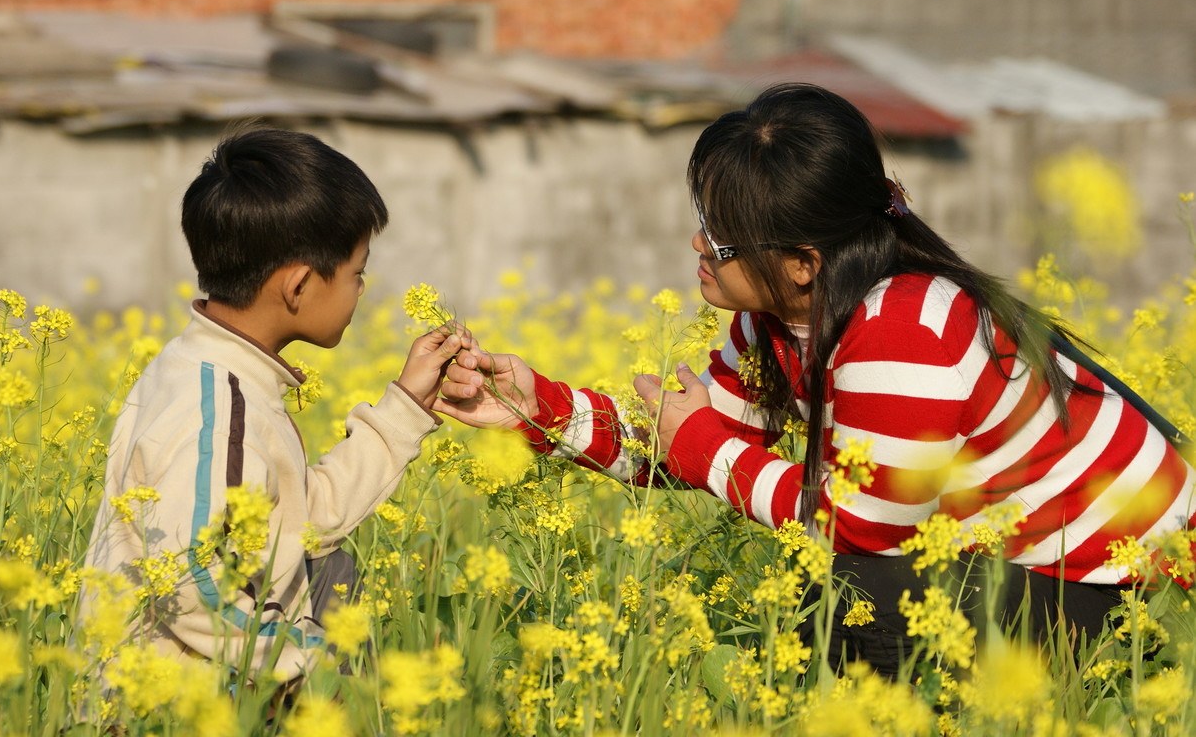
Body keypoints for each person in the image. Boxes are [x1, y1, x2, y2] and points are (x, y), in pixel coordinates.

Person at [437, 83, 1195, 674]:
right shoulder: (782, 317)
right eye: (704, 217)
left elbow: (859, 527)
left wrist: (700, 444)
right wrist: (535, 409)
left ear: (804, 261)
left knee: (857, 598)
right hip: (1021, 569)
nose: (698, 244)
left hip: (1118, 589)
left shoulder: (905, 326)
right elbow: (691, 440)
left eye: (723, 238)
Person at [81, 128, 467, 680]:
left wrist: (407, 407)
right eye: (357, 272)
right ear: (299, 286)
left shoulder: (202, 367)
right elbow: (193, 587)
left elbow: (299, 519)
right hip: (175, 710)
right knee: (336, 591)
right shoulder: (218, 414)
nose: (362, 288)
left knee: (333, 572)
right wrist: (314, 663)